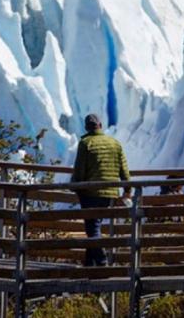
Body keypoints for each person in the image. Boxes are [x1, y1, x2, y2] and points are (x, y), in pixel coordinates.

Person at [71, 114, 131, 267]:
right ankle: (89, 268)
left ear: (86, 127)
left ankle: (102, 261)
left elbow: (79, 171)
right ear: (101, 125)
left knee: (93, 229)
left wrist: (75, 186)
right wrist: (127, 191)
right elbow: (124, 171)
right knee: (93, 227)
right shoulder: (115, 143)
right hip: (110, 194)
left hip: (90, 194)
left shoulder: (85, 143)